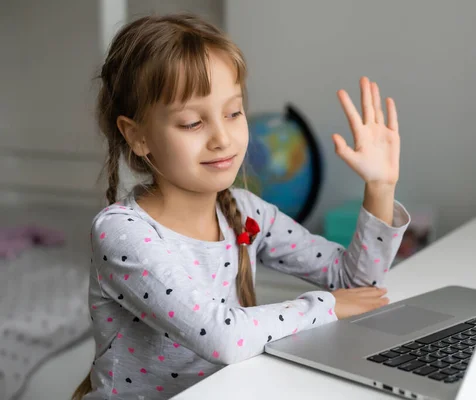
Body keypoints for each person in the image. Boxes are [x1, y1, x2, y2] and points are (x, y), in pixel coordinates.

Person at [73, 12, 410, 400]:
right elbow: (222, 337)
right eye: (191, 123)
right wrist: (326, 305)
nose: (222, 138)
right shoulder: (121, 233)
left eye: (233, 113)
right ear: (138, 136)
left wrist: (381, 188)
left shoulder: (245, 211)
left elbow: (357, 288)